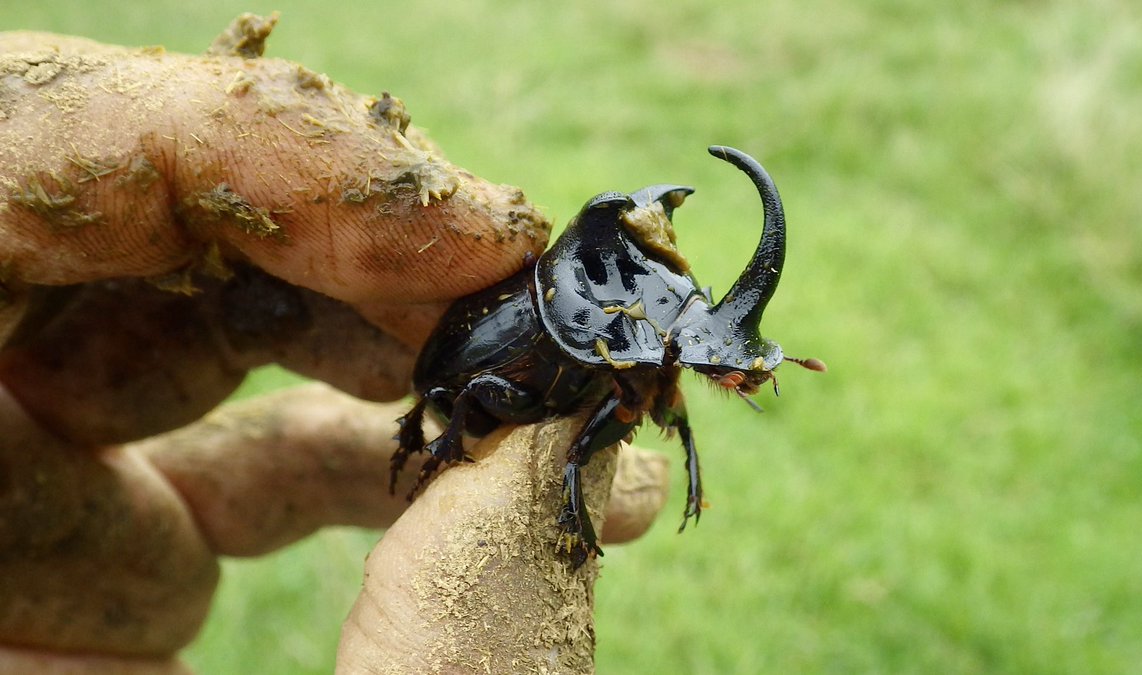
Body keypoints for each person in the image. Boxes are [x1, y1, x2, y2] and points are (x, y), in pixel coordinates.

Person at [0, 16, 668, 673]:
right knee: (449, 391)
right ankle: (426, 446)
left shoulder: (612, 337)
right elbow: (446, 382)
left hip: (485, 384)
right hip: (463, 387)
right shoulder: (577, 320)